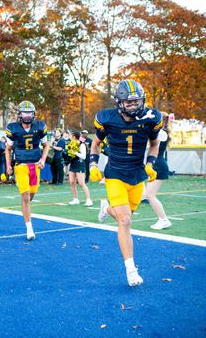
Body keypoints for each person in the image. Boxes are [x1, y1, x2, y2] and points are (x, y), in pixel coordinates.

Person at [90, 79, 162, 286]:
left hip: (137, 175)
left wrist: (150, 164)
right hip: (115, 175)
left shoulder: (151, 118)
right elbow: (96, 144)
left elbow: (154, 144)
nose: (133, 105)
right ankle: (131, 270)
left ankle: (106, 207)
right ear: (119, 102)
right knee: (125, 221)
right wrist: (94, 166)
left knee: (125, 216)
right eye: (129, 102)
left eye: (137, 101)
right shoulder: (107, 118)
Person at [5, 101, 50, 240]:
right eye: (25, 112)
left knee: (30, 196)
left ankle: (26, 211)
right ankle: (29, 228)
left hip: (35, 165)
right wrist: (8, 165)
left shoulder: (40, 127)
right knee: (25, 196)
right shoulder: (13, 128)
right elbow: (8, 148)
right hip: (20, 165)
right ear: (19, 114)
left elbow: (46, 145)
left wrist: (43, 160)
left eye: (30, 112)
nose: (28, 115)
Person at [144, 112, 173, 230]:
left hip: (158, 166)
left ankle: (164, 219)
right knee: (145, 194)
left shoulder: (161, 133)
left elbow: (153, 147)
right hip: (155, 165)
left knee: (150, 195)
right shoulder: (159, 132)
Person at [66, 131, 92, 206]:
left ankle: (88, 199)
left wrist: (75, 152)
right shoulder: (70, 144)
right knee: (71, 182)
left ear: (74, 136)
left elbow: (83, 156)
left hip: (80, 164)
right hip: (73, 164)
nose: (70, 136)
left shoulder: (81, 144)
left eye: (71, 135)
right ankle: (75, 199)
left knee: (81, 183)